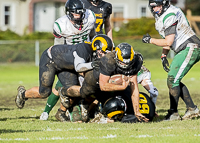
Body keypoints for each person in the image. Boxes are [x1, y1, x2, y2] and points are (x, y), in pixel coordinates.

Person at [40, 0, 113, 121]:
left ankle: (87, 109)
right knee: (62, 84)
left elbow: (93, 35)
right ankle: (48, 111)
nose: (78, 16)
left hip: (86, 51)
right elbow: (58, 48)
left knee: (90, 81)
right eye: (75, 14)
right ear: (69, 13)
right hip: (69, 55)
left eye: (79, 13)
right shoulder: (61, 24)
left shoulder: (90, 17)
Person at [60, 43, 149, 122]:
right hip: (94, 77)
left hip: (113, 78)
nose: (125, 66)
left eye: (127, 64)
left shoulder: (136, 62)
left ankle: (95, 112)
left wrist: (137, 112)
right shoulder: (108, 60)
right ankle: (64, 92)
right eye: (122, 63)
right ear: (117, 57)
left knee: (126, 96)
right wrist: (122, 87)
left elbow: (134, 87)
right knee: (85, 93)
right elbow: (103, 86)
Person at [142, 0, 200, 121]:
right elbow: (168, 41)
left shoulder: (170, 14)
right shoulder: (163, 15)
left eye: (157, 6)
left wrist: (150, 40)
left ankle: (174, 113)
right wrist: (164, 55)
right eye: (152, 7)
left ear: (164, 4)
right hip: (185, 48)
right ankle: (191, 109)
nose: (154, 9)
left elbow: (168, 41)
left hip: (190, 46)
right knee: (174, 79)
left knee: (172, 79)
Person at [15, 40, 100, 111]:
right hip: (50, 60)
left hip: (65, 66)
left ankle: (61, 111)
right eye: (103, 51)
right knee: (44, 92)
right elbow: (78, 67)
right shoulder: (84, 49)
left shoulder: (94, 55)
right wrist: (92, 65)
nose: (103, 54)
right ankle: (22, 94)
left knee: (72, 90)